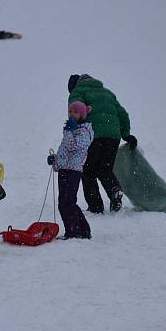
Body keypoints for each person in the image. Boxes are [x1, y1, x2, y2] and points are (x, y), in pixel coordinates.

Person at [67, 74, 137, 213]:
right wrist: (126, 134)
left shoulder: (77, 92)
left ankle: (96, 206)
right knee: (105, 169)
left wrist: (73, 135)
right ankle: (114, 190)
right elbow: (123, 114)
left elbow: (76, 113)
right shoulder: (108, 93)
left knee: (87, 172)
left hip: (92, 135)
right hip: (113, 136)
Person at [47, 102, 94, 239]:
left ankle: (74, 231)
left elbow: (74, 147)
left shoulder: (84, 131)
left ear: (82, 115)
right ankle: (82, 230)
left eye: (75, 112)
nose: (72, 114)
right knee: (66, 202)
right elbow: (66, 153)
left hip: (73, 171)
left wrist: (68, 131)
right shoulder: (71, 130)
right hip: (65, 170)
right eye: (70, 111)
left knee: (67, 203)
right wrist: (55, 160)